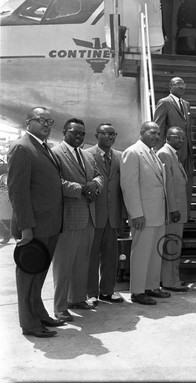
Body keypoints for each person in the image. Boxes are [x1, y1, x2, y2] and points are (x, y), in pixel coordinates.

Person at [8, 107, 64, 337]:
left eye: (50, 121)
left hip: (49, 224)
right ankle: (29, 324)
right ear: (28, 122)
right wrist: (26, 229)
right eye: (41, 120)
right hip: (34, 227)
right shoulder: (22, 147)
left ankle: (39, 313)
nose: (47, 124)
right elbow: (17, 192)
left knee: (39, 275)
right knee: (28, 276)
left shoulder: (43, 147)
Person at [51, 118, 103, 322]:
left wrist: (95, 185)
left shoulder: (86, 155)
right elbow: (55, 182)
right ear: (65, 132)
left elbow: (99, 176)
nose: (79, 137)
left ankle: (77, 298)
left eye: (82, 134)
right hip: (69, 217)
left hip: (89, 216)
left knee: (82, 261)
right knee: (63, 265)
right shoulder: (55, 153)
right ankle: (60, 306)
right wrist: (81, 189)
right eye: (75, 133)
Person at [120, 122, 172, 305]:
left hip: (158, 214)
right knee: (141, 253)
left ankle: (151, 286)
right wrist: (136, 214)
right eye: (152, 132)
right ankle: (137, 291)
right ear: (141, 132)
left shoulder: (153, 154)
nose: (156, 136)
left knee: (154, 253)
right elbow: (129, 186)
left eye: (159, 133)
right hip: (143, 215)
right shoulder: (133, 153)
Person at [85, 123, 125, 304]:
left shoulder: (120, 156)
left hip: (113, 215)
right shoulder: (87, 155)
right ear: (96, 135)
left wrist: (123, 215)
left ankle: (108, 290)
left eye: (113, 134)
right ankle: (91, 293)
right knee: (91, 256)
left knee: (110, 256)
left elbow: (123, 188)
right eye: (105, 133)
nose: (109, 137)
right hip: (94, 214)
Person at [153, 77, 194, 219]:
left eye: (183, 83)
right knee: (171, 184)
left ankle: (185, 215)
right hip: (171, 153)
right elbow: (158, 127)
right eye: (177, 84)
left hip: (186, 151)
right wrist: (158, 152)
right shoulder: (164, 103)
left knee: (185, 184)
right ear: (170, 86)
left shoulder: (186, 104)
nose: (181, 86)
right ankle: (172, 213)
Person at [157, 127, 188, 292]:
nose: (182, 141)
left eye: (183, 138)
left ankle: (172, 279)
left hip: (176, 211)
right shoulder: (165, 154)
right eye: (178, 137)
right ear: (168, 137)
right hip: (172, 212)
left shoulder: (172, 155)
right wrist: (173, 209)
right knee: (171, 247)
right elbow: (167, 184)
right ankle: (170, 282)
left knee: (174, 246)